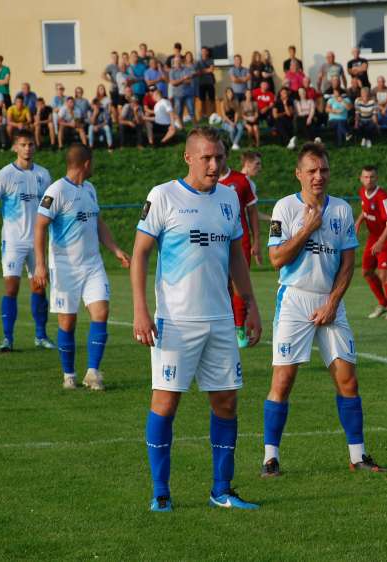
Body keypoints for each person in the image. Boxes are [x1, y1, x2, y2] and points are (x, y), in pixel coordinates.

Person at [130, 127, 263, 512]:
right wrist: (140, 309)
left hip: (220, 318)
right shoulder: (164, 195)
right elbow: (139, 254)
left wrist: (250, 303)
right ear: (188, 158)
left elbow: (236, 254)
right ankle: (161, 493)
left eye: (219, 156)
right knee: (165, 403)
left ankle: (222, 489)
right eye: (206, 157)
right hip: (175, 320)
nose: (214, 164)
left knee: (226, 402)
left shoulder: (228, 197)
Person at [262, 142, 385, 479]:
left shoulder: (343, 210)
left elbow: (348, 262)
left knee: (348, 378)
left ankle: (358, 456)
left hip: (330, 301)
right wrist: (306, 229)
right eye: (312, 170)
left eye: (324, 170)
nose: (319, 176)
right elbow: (276, 259)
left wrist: (332, 302)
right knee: (283, 380)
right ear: (298, 174)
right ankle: (270, 458)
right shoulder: (284, 208)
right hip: (294, 300)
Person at [34, 144, 130, 390]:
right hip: (65, 267)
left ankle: (93, 372)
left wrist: (116, 249)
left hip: (92, 265)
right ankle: (69, 375)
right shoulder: (56, 190)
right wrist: (41, 265)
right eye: (93, 162)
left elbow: (98, 223)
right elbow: (40, 226)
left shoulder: (89, 189)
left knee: (101, 313)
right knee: (67, 323)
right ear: (86, 163)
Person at [0, 131, 55, 351]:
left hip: (36, 242)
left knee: (39, 288)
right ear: (15, 148)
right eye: (23, 145)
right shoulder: (5, 174)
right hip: (13, 242)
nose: (27, 148)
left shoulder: (44, 175)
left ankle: (41, 336)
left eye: (30, 144)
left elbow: (52, 209)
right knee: (11, 288)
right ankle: (7, 338)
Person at [218, 160, 261, 347]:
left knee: (239, 285)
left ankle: (239, 328)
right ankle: (226, 326)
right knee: (222, 285)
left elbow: (252, 211)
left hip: (240, 241)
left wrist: (257, 240)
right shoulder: (205, 182)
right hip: (217, 241)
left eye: (218, 156)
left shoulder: (241, 180)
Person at [355, 165, 387, 320]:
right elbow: (365, 210)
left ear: (376, 178)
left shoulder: (382, 197)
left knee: (384, 274)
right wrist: (358, 222)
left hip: (386, 239)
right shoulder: (362, 192)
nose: (368, 180)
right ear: (360, 179)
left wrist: (381, 241)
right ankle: (383, 303)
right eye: (365, 177)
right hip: (373, 238)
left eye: (372, 177)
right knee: (366, 272)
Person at [169, 56, 195, 123]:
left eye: (179, 61)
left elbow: (189, 81)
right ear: (174, 62)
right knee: (179, 113)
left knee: (192, 112)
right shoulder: (172, 71)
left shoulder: (186, 69)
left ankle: (196, 128)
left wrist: (178, 82)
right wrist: (183, 79)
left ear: (181, 62)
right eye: (176, 61)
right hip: (177, 95)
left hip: (188, 94)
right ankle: (182, 128)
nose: (178, 62)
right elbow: (173, 83)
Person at [195, 47, 216, 120]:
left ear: (207, 52)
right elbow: (197, 72)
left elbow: (211, 70)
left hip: (210, 82)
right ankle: (204, 115)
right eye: (202, 51)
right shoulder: (198, 62)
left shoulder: (211, 60)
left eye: (205, 51)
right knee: (202, 100)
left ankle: (213, 115)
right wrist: (207, 70)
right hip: (201, 83)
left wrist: (202, 71)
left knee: (211, 99)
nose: (203, 53)